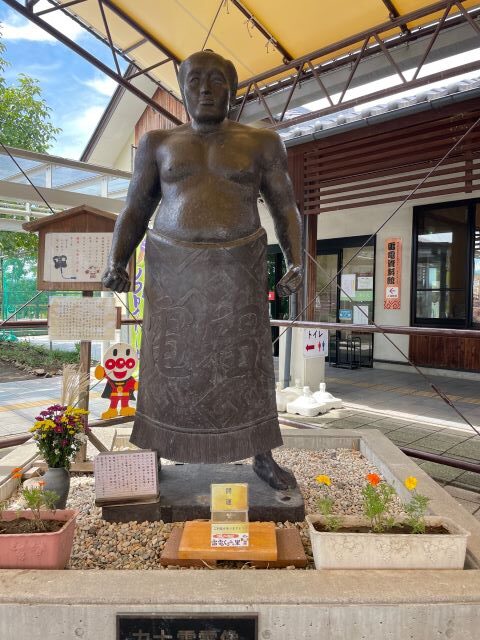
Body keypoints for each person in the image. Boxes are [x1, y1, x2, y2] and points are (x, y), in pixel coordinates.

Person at [102, 50, 303, 490]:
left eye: (216, 80)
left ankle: (262, 455)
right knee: (165, 361)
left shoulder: (262, 142)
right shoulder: (158, 143)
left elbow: (285, 205)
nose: (206, 89)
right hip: (171, 266)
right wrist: (118, 259)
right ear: (182, 89)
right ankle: (152, 452)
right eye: (195, 80)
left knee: (246, 363)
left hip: (239, 265)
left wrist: (295, 259)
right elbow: (136, 205)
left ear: (234, 91)